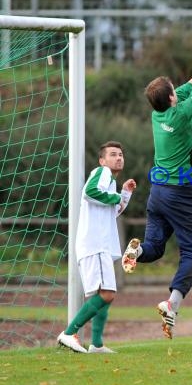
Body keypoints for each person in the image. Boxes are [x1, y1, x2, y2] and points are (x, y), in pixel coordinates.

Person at [121, 51, 192, 339]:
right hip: (180, 193)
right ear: (172, 98)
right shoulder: (184, 113)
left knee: (155, 247)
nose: (178, 91)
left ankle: (137, 251)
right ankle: (172, 305)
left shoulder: (157, 113)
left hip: (157, 193)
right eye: (174, 91)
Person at [57, 141, 136, 353]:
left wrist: (124, 194)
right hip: (95, 243)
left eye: (120, 154)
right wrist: (117, 196)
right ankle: (68, 333)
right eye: (113, 154)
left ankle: (97, 344)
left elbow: (112, 210)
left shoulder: (109, 181)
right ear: (102, 160)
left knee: (102, 296)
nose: (118, 157)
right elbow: (90, 192)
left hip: (99, 245)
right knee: (108, 293)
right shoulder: (102, 172)